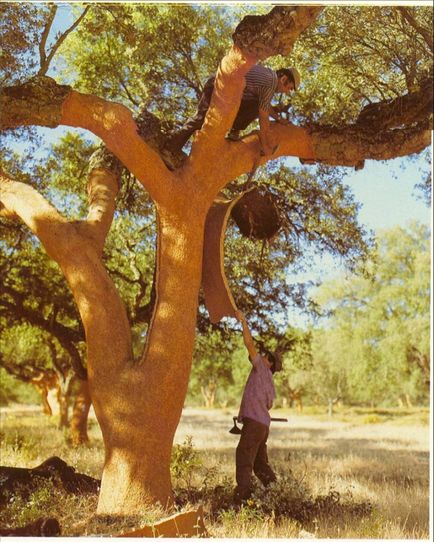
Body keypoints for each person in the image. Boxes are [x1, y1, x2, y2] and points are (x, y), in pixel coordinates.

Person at [165, 65, 300, 158]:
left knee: (256, 105)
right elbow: (263, 116)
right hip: (218, 86)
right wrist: (266, 146)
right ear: (283, 79)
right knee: (202, 119)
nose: (287, 92)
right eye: (289, 88)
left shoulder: (268, 78)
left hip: (229, 94)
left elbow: (264, 106)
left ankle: (234, 129)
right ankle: (169, 148)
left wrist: (278, 118)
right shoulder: (270, 83)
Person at [233, 309, 283, 505]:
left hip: (254, 425)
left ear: (269, 362)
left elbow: (248, 344)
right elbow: (268, 405)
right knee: (260, 464)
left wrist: (243, 322)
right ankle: (277, 493)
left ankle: (241, 500)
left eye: (264, 355)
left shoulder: (261, 368)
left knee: (244, 457)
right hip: (263, 427)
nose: (260, 355)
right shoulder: (270, 382)